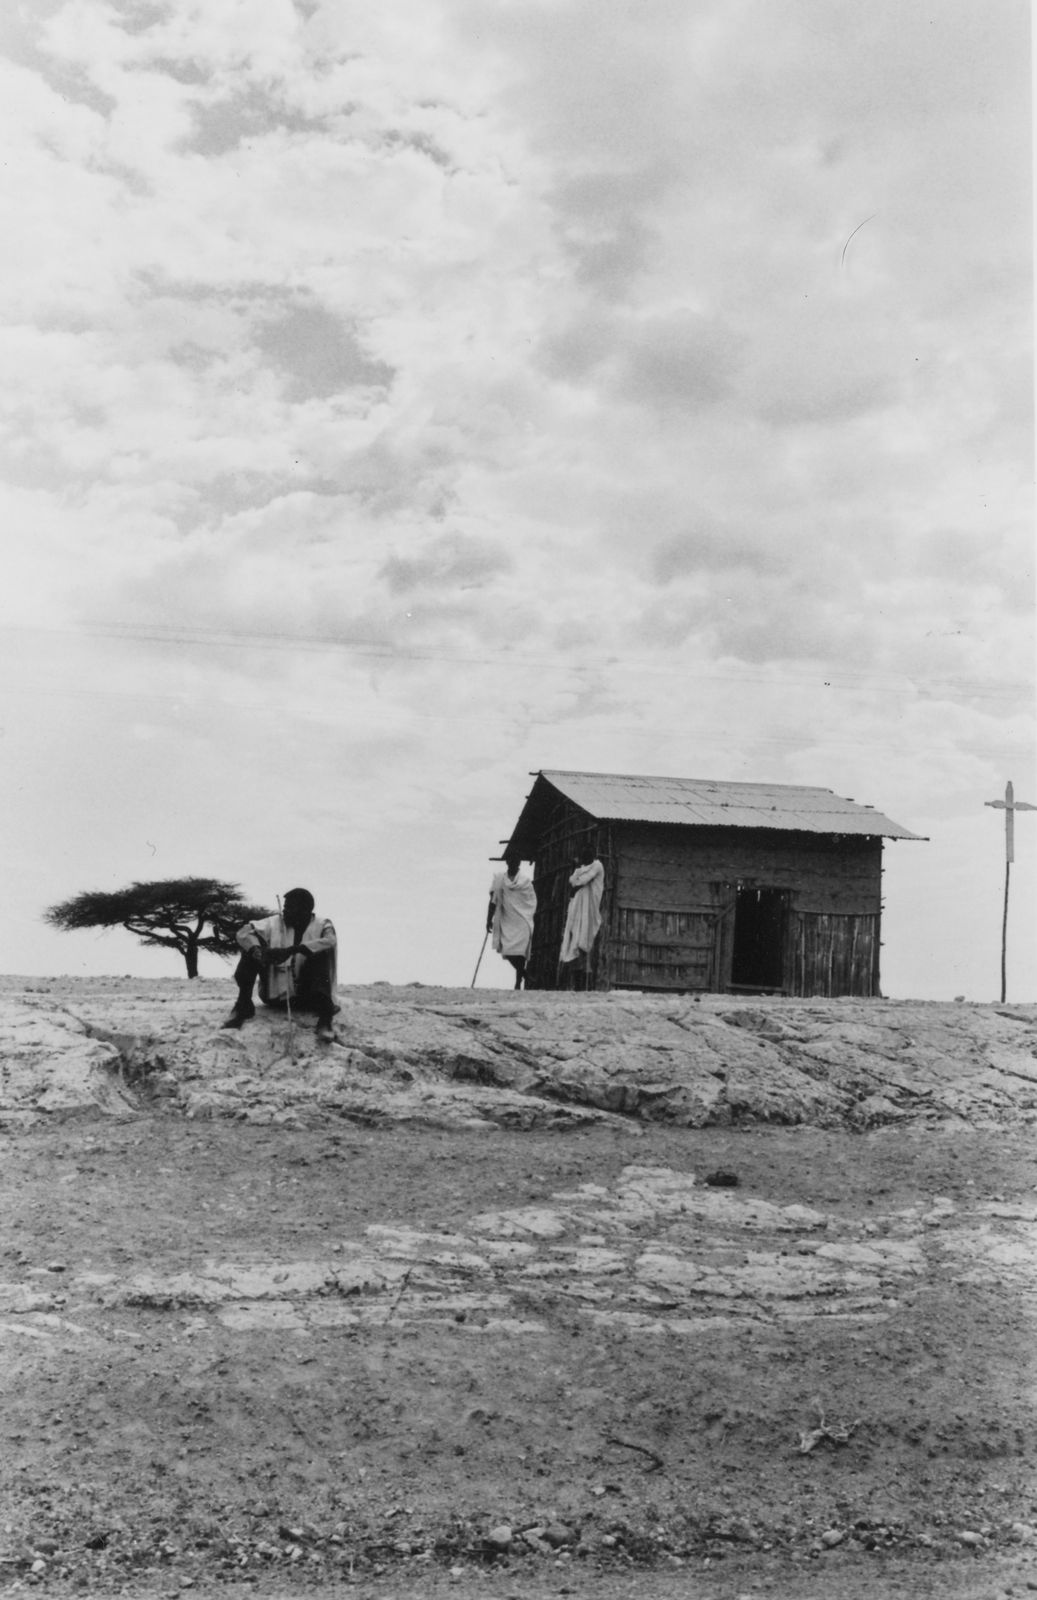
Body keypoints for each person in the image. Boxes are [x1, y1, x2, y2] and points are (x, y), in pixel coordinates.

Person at [222, 887, 338, 1041]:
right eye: (285, 907)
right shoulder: (274, 922)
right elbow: (243, 933)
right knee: (249, 951)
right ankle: (243, 1005)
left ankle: (325, 1018)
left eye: (291, 907)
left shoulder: (322, 924)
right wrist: (259, 951)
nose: (285, 911)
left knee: (318, 955)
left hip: (308, 998)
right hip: (274, 996)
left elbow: (330, 941)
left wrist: (293, 950)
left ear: (305, 910)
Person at [487, 851, 537, 990]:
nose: (513, 863)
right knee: (508, 951)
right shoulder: (499, 880)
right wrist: (488, 919)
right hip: (507, 919)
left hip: (522, 920)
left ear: (519, 863)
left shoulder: (525, 882)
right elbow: (492, 901)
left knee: (520, 953)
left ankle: (517, 982)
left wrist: (527, 914)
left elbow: (531, 901)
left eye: (516, 861)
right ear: (507, 862)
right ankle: (525, 975)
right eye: (511, 860)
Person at [560, 846, 605, 972]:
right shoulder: (583, 868)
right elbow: (572, 881)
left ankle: (585, 970)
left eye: (587, 859)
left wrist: (577, 872)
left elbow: (582, 880)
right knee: (576, 935)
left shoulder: (597, 866)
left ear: (592, 857)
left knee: (585, 936)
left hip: (590, 907)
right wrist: (577, 870)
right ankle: (580, 970)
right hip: (578, 906)